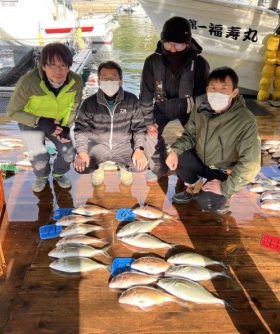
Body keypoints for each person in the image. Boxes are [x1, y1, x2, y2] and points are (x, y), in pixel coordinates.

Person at [165, 66, 261, 214]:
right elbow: (190, 135)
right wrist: (174, 151)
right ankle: (195, 187)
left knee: (208, 203)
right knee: (178, 155)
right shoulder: (200, 106)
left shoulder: (245, 120)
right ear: (207, 89)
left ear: (234, 92)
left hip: (224, 170)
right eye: (213, 88)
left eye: (224, 89)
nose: (217, 93)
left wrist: (225, 187)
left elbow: (251, 163)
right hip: (202, 161)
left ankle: (225, 195)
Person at [139, 16, 210, 183]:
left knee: (199, 136)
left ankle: (188, 172)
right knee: (147, 136)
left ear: (188, 43)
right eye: (168, 43)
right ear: (162, 41)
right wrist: (149, 122)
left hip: (188, 109)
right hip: (161, 108)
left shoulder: (200, 64)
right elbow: (146, 97)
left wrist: (198, 123)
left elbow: (202, 99)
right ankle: (159, 168)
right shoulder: (152, 62)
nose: (172, 50)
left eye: (178, 44)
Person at [6, 42, 83, 192]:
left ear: (69, 66)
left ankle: (59, 173)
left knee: (68, 152)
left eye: (63, 65)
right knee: (39, 158)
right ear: (43, 66)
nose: (58, 71)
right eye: (52, 65)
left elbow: (73, 107)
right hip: (31, 122)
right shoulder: (27, 82)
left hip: (58, 122)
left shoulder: (76, 81)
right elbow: (12, 111)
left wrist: (66, 126)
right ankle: (41, 176)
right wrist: (39, 120)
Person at [73, 60, 148, 186]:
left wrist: (139, 149)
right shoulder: (89, 103)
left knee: (141, 165)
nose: (109, 81)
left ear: (121, 81)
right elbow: (81, 129)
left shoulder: (132, 100)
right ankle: (98, 168)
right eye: (104, 78)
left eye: (113, 78)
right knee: (81, 166)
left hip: (124, 145)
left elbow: (139, 128)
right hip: (98, 146)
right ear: (98, 81)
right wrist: (82, 152)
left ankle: (125, 168)